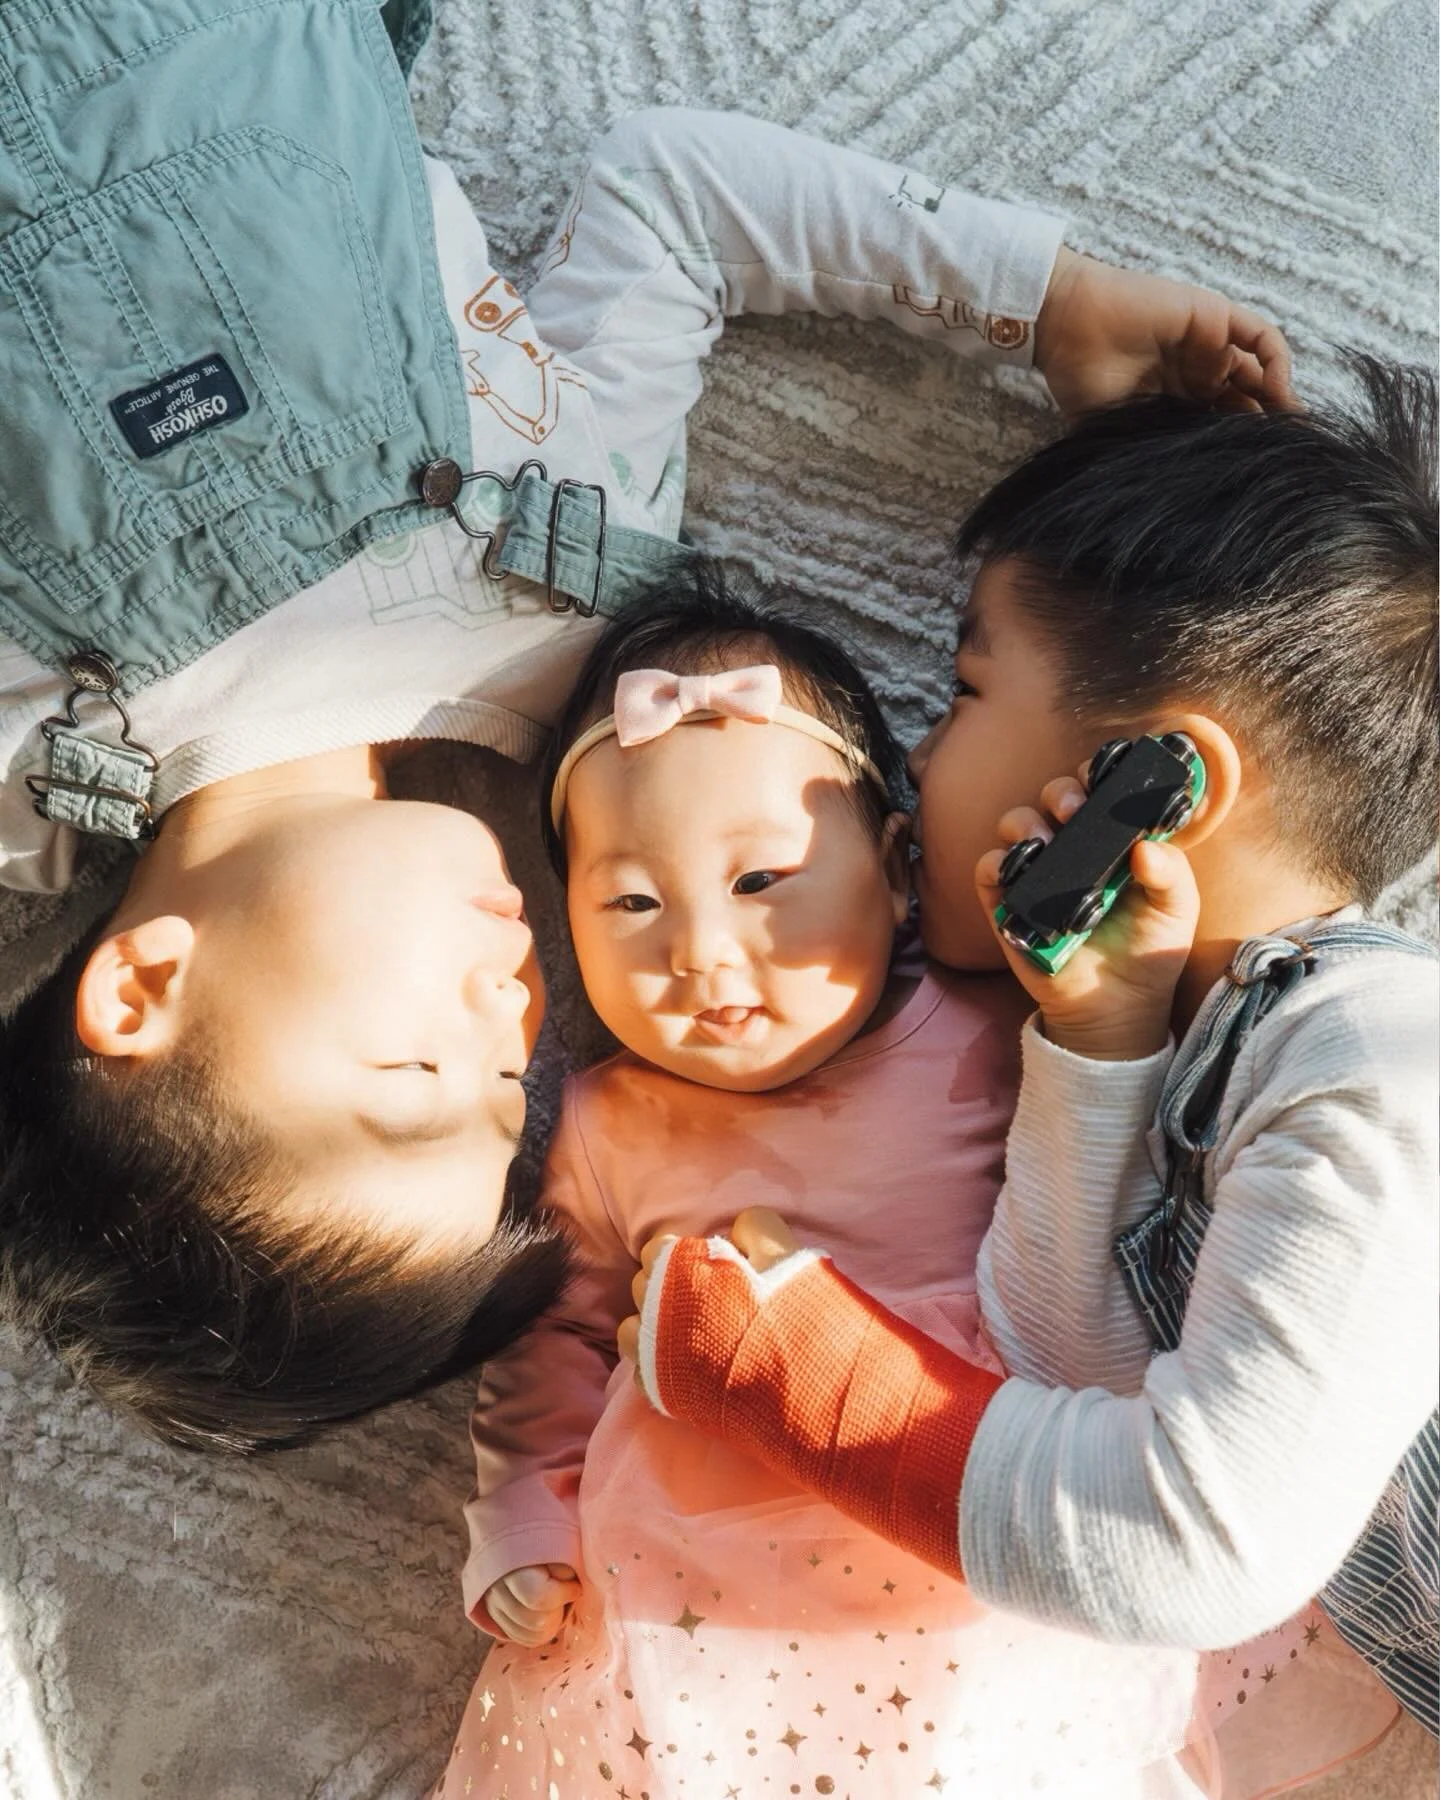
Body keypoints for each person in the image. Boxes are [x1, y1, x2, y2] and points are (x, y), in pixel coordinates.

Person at [0, 0, 1295, 1456]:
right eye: (514, 1093)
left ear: (138, 989)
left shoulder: (27, 777)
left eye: (417, 1075)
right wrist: (1045, 297)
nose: (514, 1016)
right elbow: (673, 196)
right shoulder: (597, 601)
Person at [620, 356, 1440, 1747]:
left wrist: (791, 1371)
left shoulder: (1378, 1053)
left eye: (961, 691)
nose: (912, 765)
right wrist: (1094, 1047)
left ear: (1155, 783)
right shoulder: (1198, 1055)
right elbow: (1071, 1373)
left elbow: (1190, 1536)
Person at [443, 563, 1276, 1800]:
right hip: (711, 1581)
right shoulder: (606, 1122)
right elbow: (552, 1333)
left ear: (895, 873)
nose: (701, 951)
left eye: (761, 882)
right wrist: (524, 1513)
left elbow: (1129, 1171)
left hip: (989, 1506)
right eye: (629, 901)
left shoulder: (995, 1022)